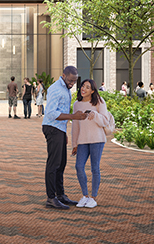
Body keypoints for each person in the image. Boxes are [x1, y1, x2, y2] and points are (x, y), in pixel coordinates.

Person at [42, 66, 89, 209]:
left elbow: (61, 111)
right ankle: (51, 198)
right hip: (52, 128)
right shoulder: (56, 89)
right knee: (53, 164)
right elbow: (51, 113)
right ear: (63, 75)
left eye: (75, 81)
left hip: (59, 129)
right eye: (70, 81)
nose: (72, 84)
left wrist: (64, 132)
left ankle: (60, 195)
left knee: (61, 164)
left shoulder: (65, 88)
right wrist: (73, 117)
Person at [70, 78, 116, 207]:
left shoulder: (99, 102)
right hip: (82, 141)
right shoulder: (77, 104)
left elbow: (105, 121)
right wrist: (75, 144)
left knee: (95, 168)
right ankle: (85, 196)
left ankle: (93, 198)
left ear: (93, 90)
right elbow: (75, 126)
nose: (83, 89)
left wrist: (94, 114)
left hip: (97, 139)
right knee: (79, 166)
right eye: (83, 86)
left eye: (87, 87)